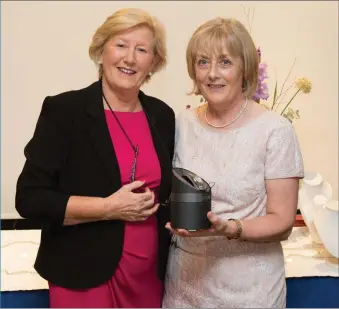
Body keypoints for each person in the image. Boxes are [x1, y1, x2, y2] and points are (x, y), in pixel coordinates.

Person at [15, 8, 175, 308]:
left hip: (148, 279)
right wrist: (109, 208)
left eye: (141, 50)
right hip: (81, 276)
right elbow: (30, 198)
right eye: (121, 45)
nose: (130, 58)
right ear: (101, 51)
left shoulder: (163, 116)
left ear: (153, 63)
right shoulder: (64, 111)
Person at [163, 17, 304, 308]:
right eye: (203, 62)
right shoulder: (180, 123)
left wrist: (230, 229)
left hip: (249, 290)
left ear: (245, 69)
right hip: (185, 286)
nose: (213, 74)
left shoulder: (274, 131)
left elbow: (283, 222)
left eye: (225, 62)